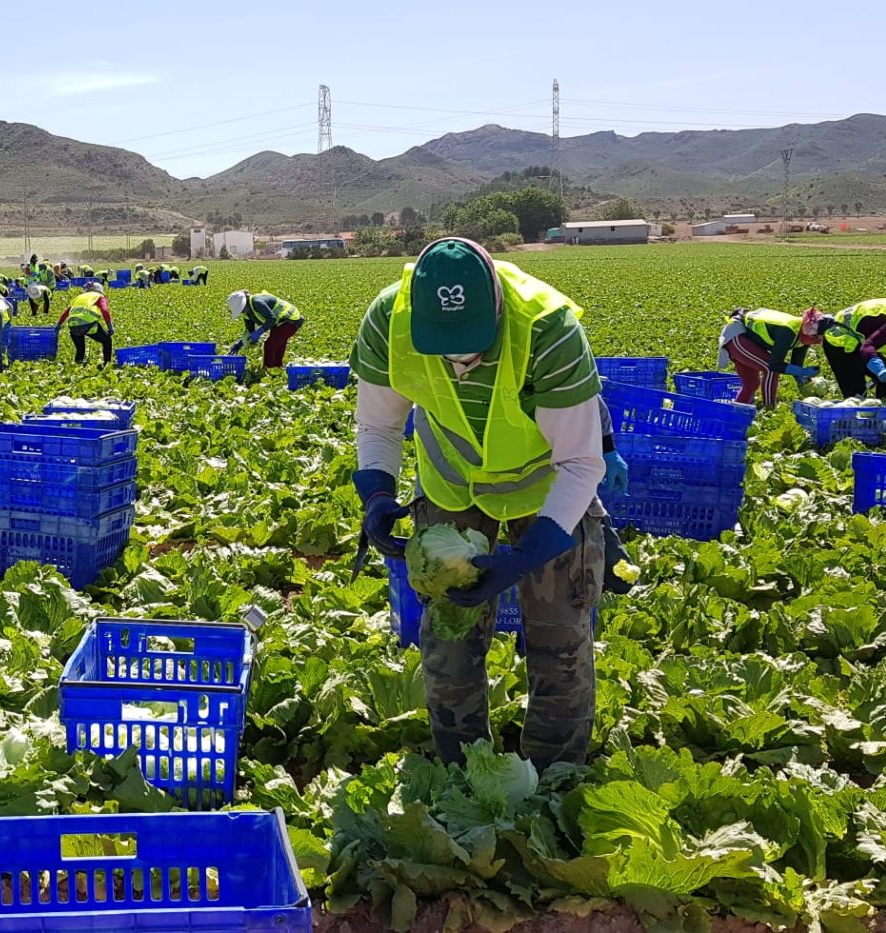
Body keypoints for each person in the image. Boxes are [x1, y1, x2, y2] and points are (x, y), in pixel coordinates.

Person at [350, 236, 606, 769]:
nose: (458, 357)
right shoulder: (387, 323)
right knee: (448, 637)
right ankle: (462, 772)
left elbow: (581, 463)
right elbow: (379, 423)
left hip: (545, 488)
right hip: (452, 482)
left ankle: (556, 776)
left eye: (471, 342)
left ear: (496, 306)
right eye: (443, 342)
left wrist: (528, 554)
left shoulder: (547, 330)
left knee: (559, 637)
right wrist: (376, 492)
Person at [713, 307, 826, 408]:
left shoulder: (804, 338)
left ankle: (737, 412)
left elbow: (796, 367)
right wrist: (802, 371)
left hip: (748, 337)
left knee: (751, 384)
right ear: (808, 331)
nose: (818, 340)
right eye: (815, 336)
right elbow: (775, 364)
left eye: (820, 337)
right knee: (770, 369)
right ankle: (770, 408)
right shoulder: (788, 331)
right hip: (737, 333)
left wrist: (804, 381)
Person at [226, 289, 304, 370]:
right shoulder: (246, 314)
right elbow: (250, 332)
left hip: (290, 320)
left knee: (270, 345)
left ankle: (268, 369)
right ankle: (277, 368)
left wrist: (260, 331)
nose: (242, 312)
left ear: (245, 303)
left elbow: (272, 319)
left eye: (241, 309)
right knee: (277, 343)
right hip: (278, 323)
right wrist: (239, 345)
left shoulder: (257, 302)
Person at [56, 284, 113, 365]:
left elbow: (66, 312)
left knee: (80, 349)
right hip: (88, 325)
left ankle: (77, 365)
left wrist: (58, 325)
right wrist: (110, 327)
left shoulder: (79, 297)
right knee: (107, 340)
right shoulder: (99, 296)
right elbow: (105, 311)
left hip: (73, 326)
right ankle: (107, 364)